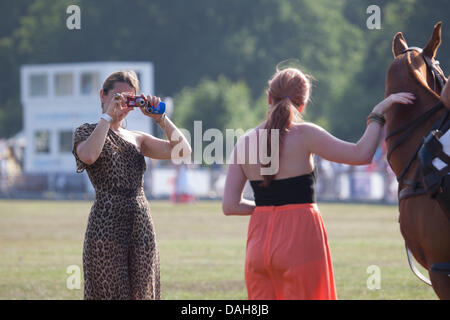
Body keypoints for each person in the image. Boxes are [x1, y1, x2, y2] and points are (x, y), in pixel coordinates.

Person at [222, 67, 415, 300]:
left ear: (268, 98)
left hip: (257, 247)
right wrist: (377, 114)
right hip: (299, 241)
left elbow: (230, 206)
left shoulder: (244, 142)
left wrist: (266, 209)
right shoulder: (306, 135)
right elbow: (361, 154)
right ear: (302, 105)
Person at [72, 70, 191, 299]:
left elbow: (183, 151)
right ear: (102, 96)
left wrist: (160, 119)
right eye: (118, 97)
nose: (123, 104)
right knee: (108, 291)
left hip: (141, 224)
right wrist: (107, 117)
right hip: (106, 224)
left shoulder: (137, 137)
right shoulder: (86, 131)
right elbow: (88, 156)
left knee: (142, 292)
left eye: (129, 99)